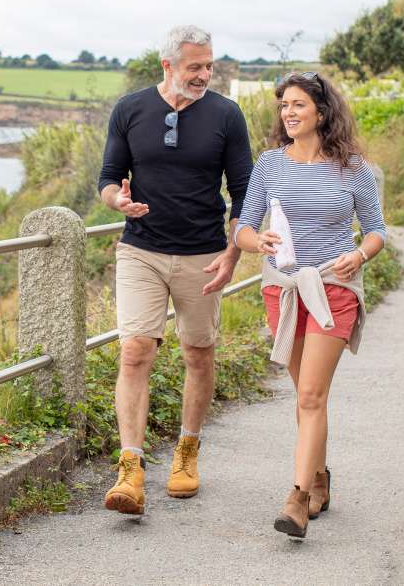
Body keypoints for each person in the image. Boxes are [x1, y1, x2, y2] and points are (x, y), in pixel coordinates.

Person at [97, 25, 253, 514]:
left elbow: (243, 191)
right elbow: (107, 178)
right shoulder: (130, 109)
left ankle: (187, 452)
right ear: (167, 66)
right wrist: (117, 201)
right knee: (135, 350)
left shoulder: (226, 115)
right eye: (195, 67)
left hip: (202, 254)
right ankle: (131, 469)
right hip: (140, 249)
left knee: (198, 354)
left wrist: (232, 254)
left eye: (209, 66)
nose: (205, 75)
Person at [234, 71, 386, 538]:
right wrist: (256, 240)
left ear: (321, 111)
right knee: (305, 397)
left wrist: (359, 253)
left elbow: (378, 229)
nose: (289, 113)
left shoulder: (354, 168)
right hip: (284, 290)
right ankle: (319, 477)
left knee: (311, 396)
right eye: (284, 106)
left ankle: (297, 498)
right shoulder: (269, 165)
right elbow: (241, 226)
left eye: (298, 104)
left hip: (332, 290)